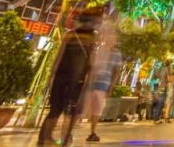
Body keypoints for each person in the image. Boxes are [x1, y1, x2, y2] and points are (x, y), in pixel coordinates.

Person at [37, 12, 98, 146]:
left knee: (55, 109)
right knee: (70, 111)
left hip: (60, 76)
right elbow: (91, 61)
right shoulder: (92, 37)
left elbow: (58, 57)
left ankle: (43, 139)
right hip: (76, 80)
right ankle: (64, 140)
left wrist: (51, 75)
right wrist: (90, 80)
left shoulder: (69, 35)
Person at [82, 17, 121, 142]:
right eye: (109, 36)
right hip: (91, 83)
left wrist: (111, 87)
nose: (111, 39)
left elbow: (116, 72)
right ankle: (69, 132)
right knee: (83, 109)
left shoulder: (116, 54)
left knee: (96, 110)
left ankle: (92, 132)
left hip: (103, 86)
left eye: (113, 38)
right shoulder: (98, 50)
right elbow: (90, 66)